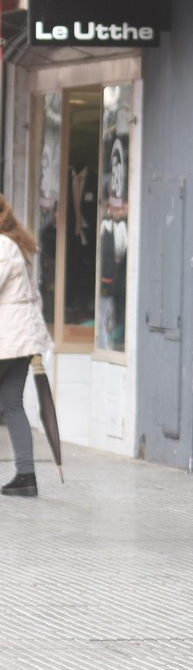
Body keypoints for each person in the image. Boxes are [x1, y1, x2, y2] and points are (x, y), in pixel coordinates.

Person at [0, 196, 48, 498]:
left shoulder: (3, 246)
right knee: (12, 404)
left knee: (12, 404)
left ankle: (26, 474)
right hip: (20, 339)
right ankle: (26, 475)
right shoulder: (14, 244)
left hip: (8, 339)